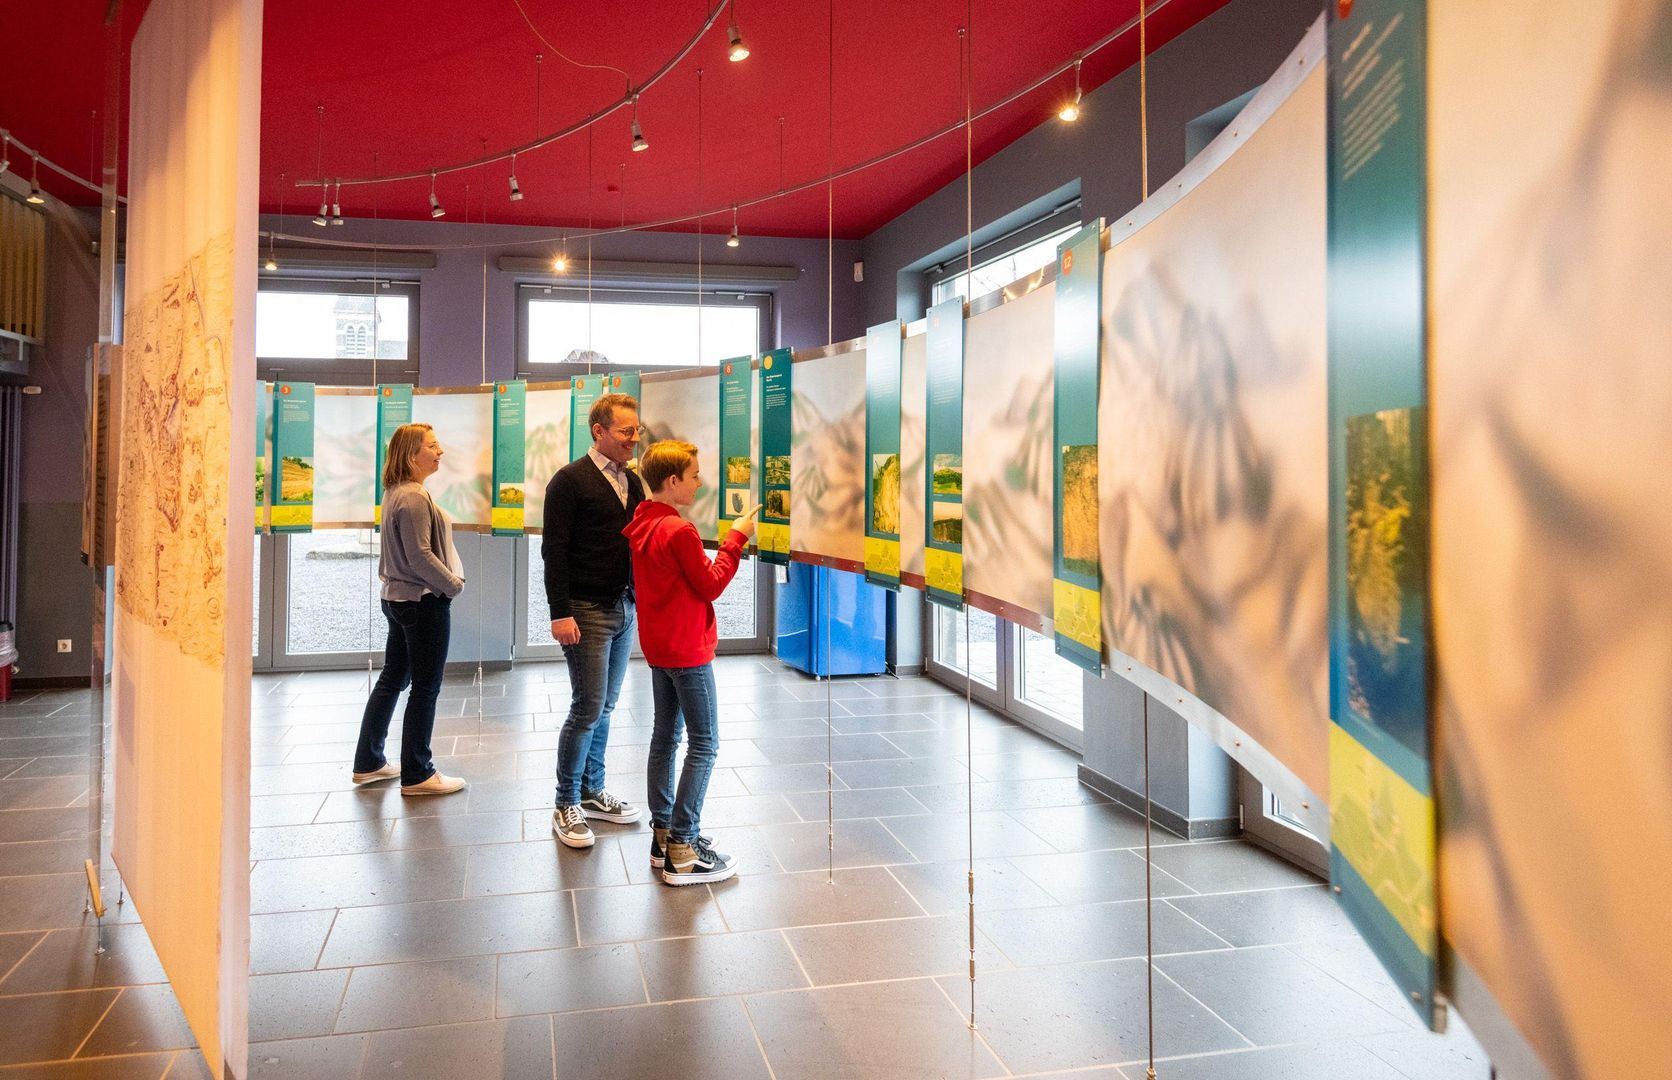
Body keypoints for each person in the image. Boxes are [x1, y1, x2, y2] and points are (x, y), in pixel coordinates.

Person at [622, 439, 756, 885]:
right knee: (705, 743)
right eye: (695, 476)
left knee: (665, 739)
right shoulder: (679, 531)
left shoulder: (644, 523)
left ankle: (664, 835)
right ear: (672, 480)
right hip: (687, 650)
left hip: (660, 648)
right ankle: (683, 848)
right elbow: (711, 584)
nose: (700, 483)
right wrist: (736, 538)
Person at [543, 392, 645, 848]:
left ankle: (591, 790)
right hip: (584, 610)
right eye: (625, 431)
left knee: (605, 705)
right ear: (598, 431)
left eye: (637, 430)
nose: (634, 438)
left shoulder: (633, 481)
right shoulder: (568, 481)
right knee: (587, 707)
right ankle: (565, 802)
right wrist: (560, 613)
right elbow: (554, 552)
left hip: (624, 607)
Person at [352, 423, 466, 796]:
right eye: (432, 445)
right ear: (412, 455)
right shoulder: (414, 497)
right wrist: (452, 585)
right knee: (425, 686)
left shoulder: (395, 492)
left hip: (398, 599)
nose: (440, 451)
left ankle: (369, 762)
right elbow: (420, 556)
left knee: (393, 678)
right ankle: (418, 773)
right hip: (421, 601)